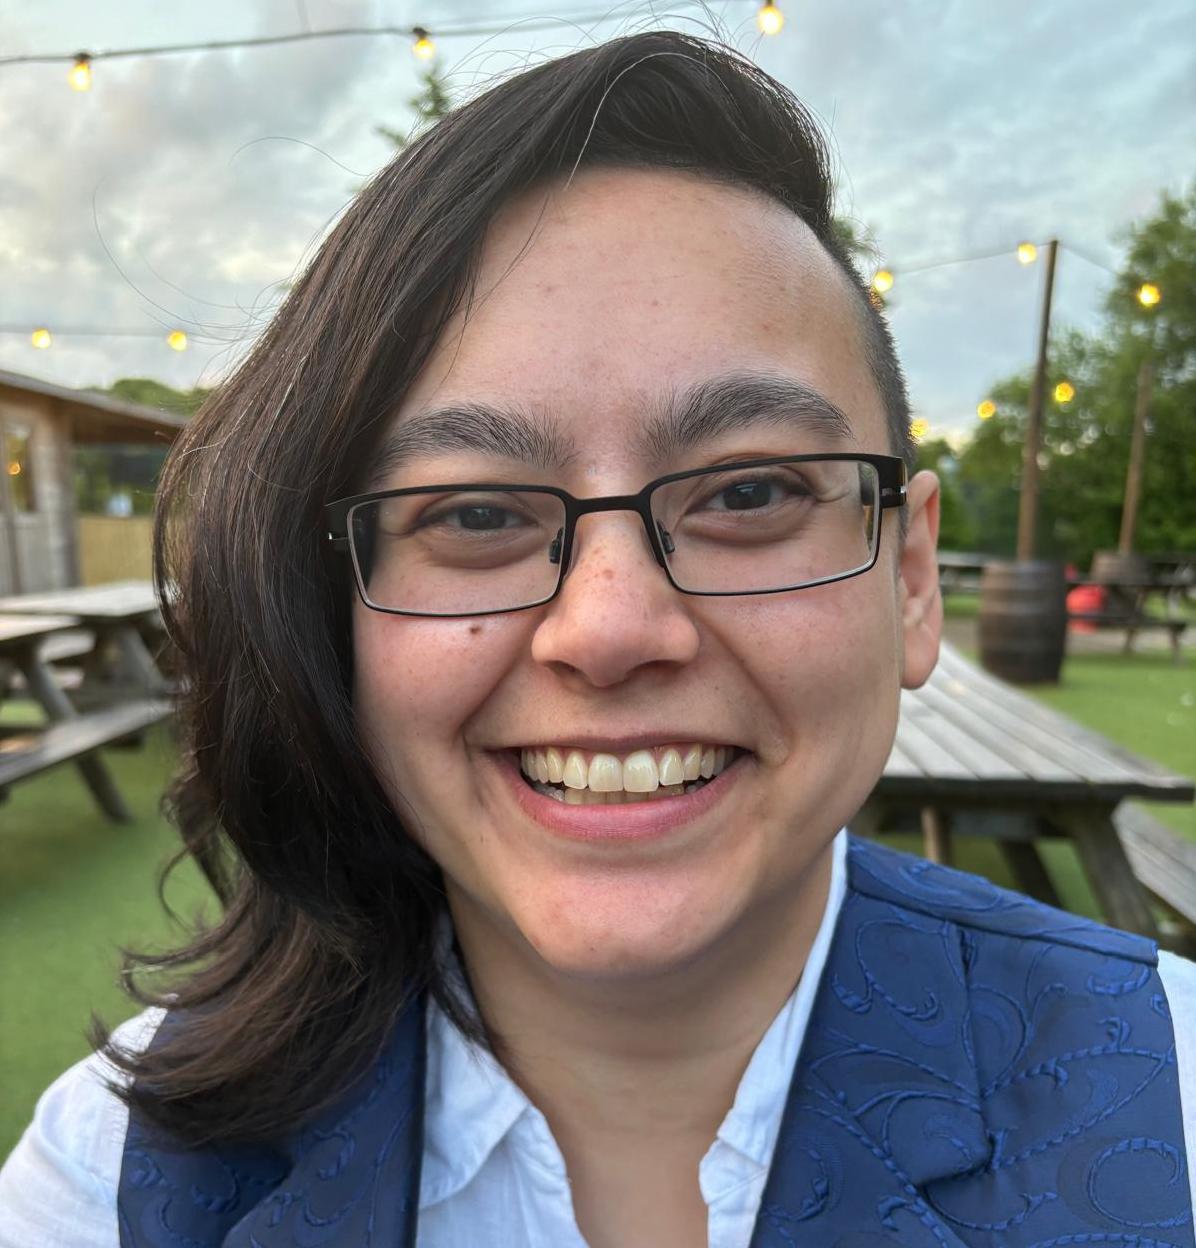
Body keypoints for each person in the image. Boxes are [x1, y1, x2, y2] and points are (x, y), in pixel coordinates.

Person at [3, 29, 1194, 1248]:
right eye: (473, 513)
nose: (610, 627)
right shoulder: (107, 1179)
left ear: (911, 580)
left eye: (748, 492)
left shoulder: (1176, 1098)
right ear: (333, 605)